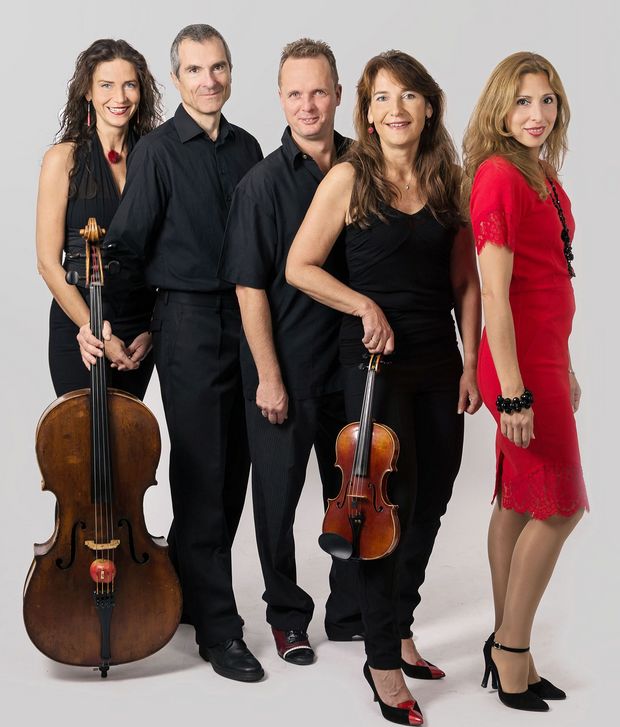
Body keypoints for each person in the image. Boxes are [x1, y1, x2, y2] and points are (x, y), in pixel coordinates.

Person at [287, 51, 480, 725]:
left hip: (438, 362)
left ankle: (399, 627)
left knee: (431, 501)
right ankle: (381, 661)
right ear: (366, 114)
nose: (395, 109)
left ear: (429, 107)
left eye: (408, 96)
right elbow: (300, 265)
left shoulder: (448, 180)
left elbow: (466, 281)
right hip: (372, 367)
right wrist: (363, 305)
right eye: (381, 98)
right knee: (381, 512)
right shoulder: (349, 176)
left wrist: (471, 363)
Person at [78, 24, 264, 682]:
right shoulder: (157, 151)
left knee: (235, 466)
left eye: (218, 68)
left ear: (230, 72)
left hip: (248, 318)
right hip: (187, 321)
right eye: (194, 70)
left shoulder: (248, 148)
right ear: (177, 78)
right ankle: (220, 628)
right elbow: (124, 247)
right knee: (201, 471)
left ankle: (186, 585)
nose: (208, 80)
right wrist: (135, 324)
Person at [219, 38, 361, 665]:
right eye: (296, 93)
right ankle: (286, 615)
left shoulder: (367, 167)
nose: (308, 105)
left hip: (352, 366)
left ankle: (349, 611)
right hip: (286, 367)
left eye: (319, 91)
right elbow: (249, 290)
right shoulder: (260, 185)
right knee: (275, 501)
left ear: (338, 94)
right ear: (280, 98)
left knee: (351, 496)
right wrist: (268, 377)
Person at [462, 51, 588, 712]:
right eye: (521, 101)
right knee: (561, 505)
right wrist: (513, 389)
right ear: (499, 109)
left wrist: (564, 364)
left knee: (517, 499)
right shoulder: (499, 176)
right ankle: (511, 648)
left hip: (543, 355)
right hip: (517, 364)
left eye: (546, 100)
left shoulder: (540, 173)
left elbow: (550, 278)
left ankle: (511, 645)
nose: (536, 114)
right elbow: (496, 294)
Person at [36, 38, 162, 398]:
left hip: (139, 328)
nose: (119, 97)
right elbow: (47, 263)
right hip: (81, 324)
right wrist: (91, 327)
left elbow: (169, 252)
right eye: (106, 85)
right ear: (87, 92)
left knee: (127, 431)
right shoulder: (63, 159)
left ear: (141, 91)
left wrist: (153, 328)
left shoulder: (155, 158)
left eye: (130, 85)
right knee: (83, 430)